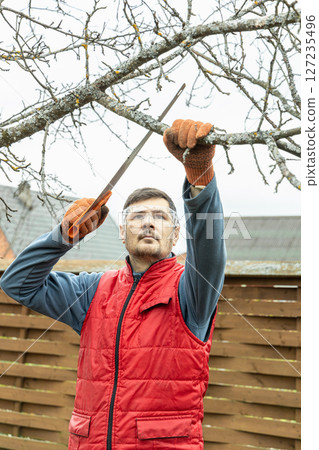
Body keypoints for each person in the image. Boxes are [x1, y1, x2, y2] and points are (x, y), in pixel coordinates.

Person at [0, 119, 226, 449]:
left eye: (160, 217)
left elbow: (210, 249)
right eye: (137, 216)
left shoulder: (191, 291)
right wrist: (62, 237)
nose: (148, 222)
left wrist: (200, 176)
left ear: (176, 235)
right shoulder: (93, 291)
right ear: (121, 231)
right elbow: (18, 283)